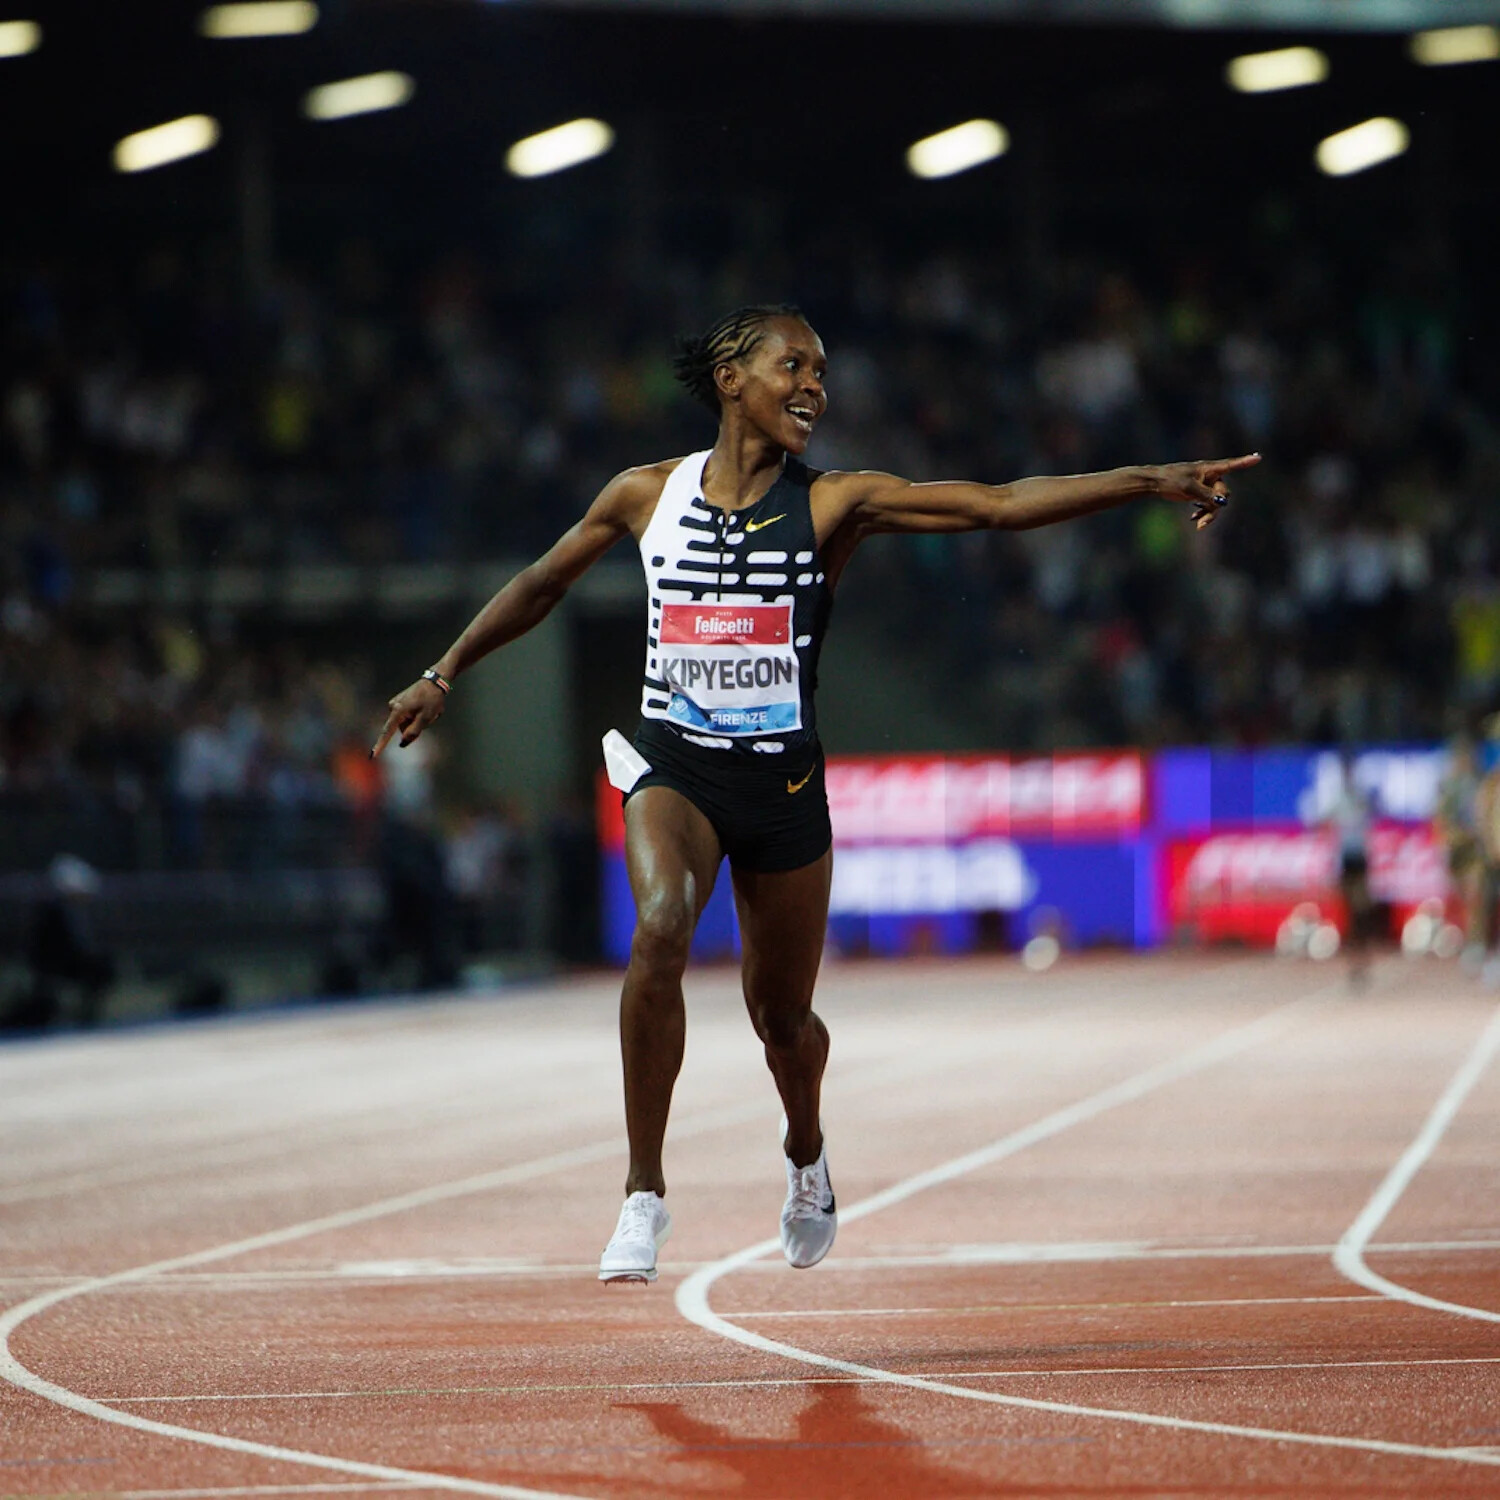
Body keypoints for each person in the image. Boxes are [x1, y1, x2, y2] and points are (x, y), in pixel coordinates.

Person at [371, 304, 1258, 1284]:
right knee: (660, 929)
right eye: (794, 366)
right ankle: (643, 1194)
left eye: (822, 374)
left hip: (782, 786)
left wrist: (1150, 480)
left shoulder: (836, 504)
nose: (815, 389)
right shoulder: (644, 495)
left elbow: (998, 504)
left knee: (782, 1020)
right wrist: (443, 673)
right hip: (676, 765)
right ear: (731, 379)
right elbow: (543, 583)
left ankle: (805, 1153)